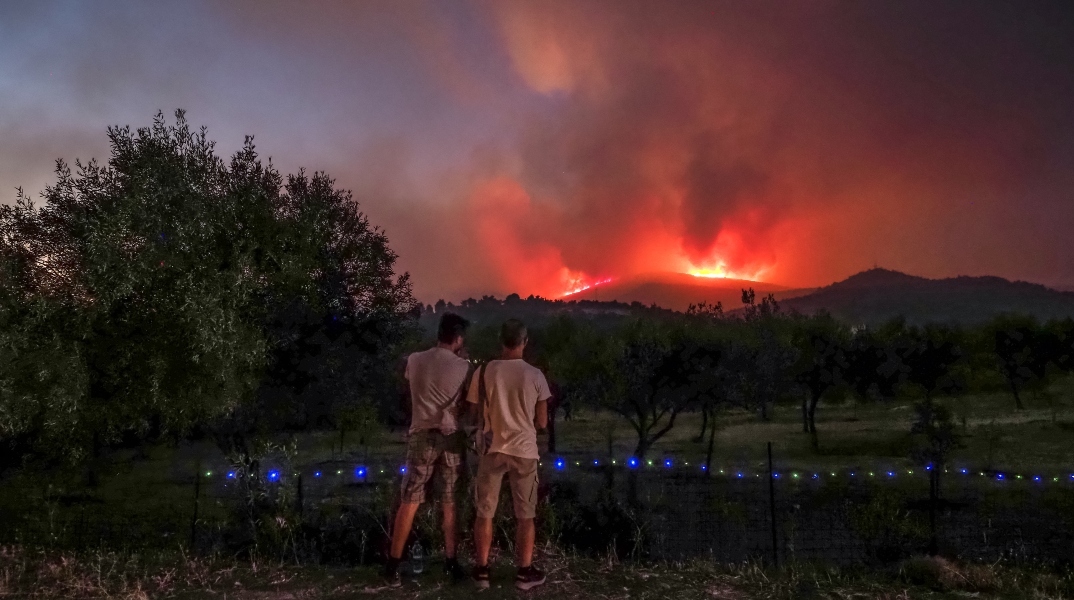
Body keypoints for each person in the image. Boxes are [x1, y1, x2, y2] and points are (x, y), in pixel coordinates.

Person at [383, 313, 472, 586]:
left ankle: (393, 564)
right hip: (451, 438)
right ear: (458, 338)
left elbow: (411, 385)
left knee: (410, 499)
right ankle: (451, 561)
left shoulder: (414, 359)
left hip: (421, 435)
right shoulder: (464, 366)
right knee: (449, 501)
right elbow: (465, 404)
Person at [466, 319, 550, 591]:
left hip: (492, 450)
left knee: (485, 512)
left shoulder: (484, 372)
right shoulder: (535, 375)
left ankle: (481, 572)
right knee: (525, 515)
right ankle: (524, 573)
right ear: (525, 342)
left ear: (501, 341)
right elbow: (543, 422)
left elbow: (475, 413)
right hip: (524, 451)